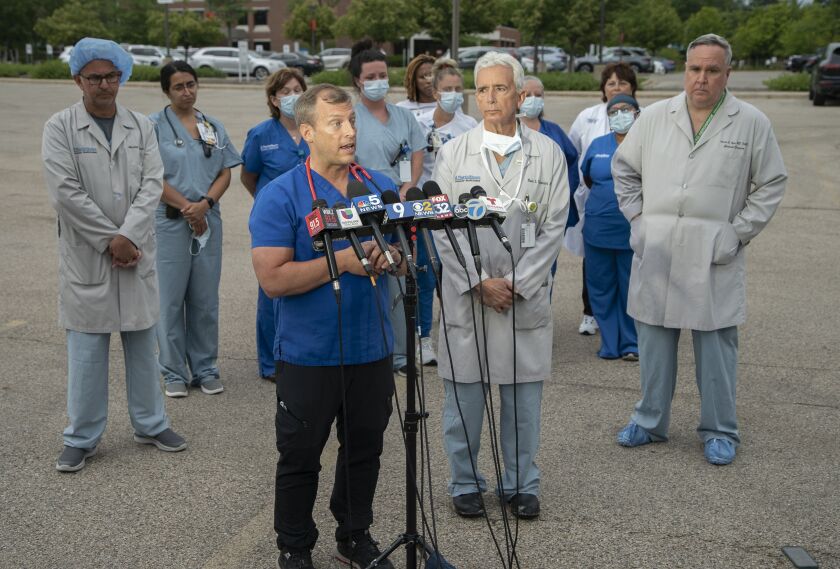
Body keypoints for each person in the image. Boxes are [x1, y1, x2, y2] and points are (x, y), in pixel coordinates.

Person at [249, 84, 406, 569]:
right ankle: (294, 545)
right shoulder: (281, 195)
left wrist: (392, 256)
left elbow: (403, 256)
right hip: (308, 354)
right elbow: (272, 278)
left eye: (352, 121)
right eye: (336, 123)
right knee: (300, 457)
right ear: (306, 132)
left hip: (371, 347)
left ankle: (354, 534)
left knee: (365, 452)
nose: (349, 131)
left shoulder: (377, 184)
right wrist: (345, 262)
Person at [612, 34, 787, 466]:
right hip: (658, 250)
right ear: (684, 70)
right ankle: (650, 421)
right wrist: (637, 222)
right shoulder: (654, 117)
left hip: (713, 254)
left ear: (728, 74)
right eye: (695, 69)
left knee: (715, 349)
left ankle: (719, 429)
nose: (702, 79)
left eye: (712, 70)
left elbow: (771, 182)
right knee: (653, 341)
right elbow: (625, 170)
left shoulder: (749, 122)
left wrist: (739, 232)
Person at [433, 52, 569, 519]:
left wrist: (514, 283)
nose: (492, 98)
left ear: (520, 94)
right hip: (469, 297)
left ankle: (520, 484)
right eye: (484, 89)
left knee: (521, 401)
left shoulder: (547, 152)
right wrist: (478, 283)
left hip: (520, 296)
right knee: (464, 400)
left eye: (502, 88)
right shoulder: (453, 153)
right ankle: (465, 481)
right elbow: (440, 227)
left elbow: (554, 226)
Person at [42, 38, 186, 472]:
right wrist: (111, 239)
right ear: (77, 80)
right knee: (86, 351)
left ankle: (151, 422)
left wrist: (129, 236)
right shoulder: (60, 127)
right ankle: (82, 436)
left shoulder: (140, 126)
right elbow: (65, 192)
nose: (104, 84)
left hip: (136, 249)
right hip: (90, 255)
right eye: (94, 77)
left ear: (121, 76)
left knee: (143, 344)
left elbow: (151, 183)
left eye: (111, 75)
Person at [149, 62, 241, 397]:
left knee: (204, 299)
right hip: (171, 220)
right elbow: (149, 176)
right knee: (171, 300)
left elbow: (226, 171)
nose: (186, 92)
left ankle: (205, 367)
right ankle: (174, 371)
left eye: (191, 84)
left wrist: (205, 204)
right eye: (178, 87)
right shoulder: (152, 127)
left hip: (207, 219)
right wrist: (188, 208)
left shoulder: (211, 125)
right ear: (166, 91)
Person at [349, 40, 425, 376]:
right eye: (371, 76)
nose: (379, 80)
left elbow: (416, 154)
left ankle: (400, 355)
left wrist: (407, 187)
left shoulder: (404, 117)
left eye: (383, 74)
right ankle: (368, 350)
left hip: (400, 206)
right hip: (364, 207)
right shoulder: (351, 118)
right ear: (358, 82)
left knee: (401, 274)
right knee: (369, 274)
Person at [241, 68, 310, 381]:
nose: (292, 96)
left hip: (313, 221)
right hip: (277, 224)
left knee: (307, 284)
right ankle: (271, 363)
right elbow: (248, 176)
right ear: (273, 98)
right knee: (271, 294)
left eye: (297, 89)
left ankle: (302, 353)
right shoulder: (261, 134)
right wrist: (270, 206)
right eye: (285, 91)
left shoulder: (315, 132)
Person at [414, 58, 478, 366]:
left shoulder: (470, 127)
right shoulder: (420, 123)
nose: (453, 94)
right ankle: (424, 340)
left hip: (455, 211)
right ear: (435, 91)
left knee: (455, 276)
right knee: (426, 276)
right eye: (447, 89)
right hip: (425, 209)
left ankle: (458, 336)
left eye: (458, 89)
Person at [568, 62, 638, 336]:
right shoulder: (588, 117)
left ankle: (632, 328)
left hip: (632, 215)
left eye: (622, 83)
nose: (616, 88)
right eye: (611, 83)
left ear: (632, 88)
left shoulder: (646, 122)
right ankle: (591, 313)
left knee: (630, 273)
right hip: (596, 206)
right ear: (603, 89)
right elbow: (577, 157)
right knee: (596, 266)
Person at [580, 94, 640, 361]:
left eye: (625, 109)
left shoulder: (646, 144)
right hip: (598, 229)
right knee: (601, 286)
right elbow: (588, 178)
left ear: (637, 113)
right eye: (613, 111)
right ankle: (610, 343)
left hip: (632, 229)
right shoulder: (597, 145)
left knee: (630, 287)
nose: (619, 115)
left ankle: (631, 343)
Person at [519, 75, 580, 292]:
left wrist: (561, 200)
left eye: (538, 95)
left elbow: (571, 165)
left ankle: (542, 317)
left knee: (546, 270)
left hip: (550, 216)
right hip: (516, 215)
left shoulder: (554, 132)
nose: (533, 99)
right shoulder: (508, 131)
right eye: (527, 94)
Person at [396, 54, 437, 119]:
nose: (429, 81)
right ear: (413, 81)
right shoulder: (401, 109)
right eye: (423, 77)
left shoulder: (448, 106)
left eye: (432, 75)